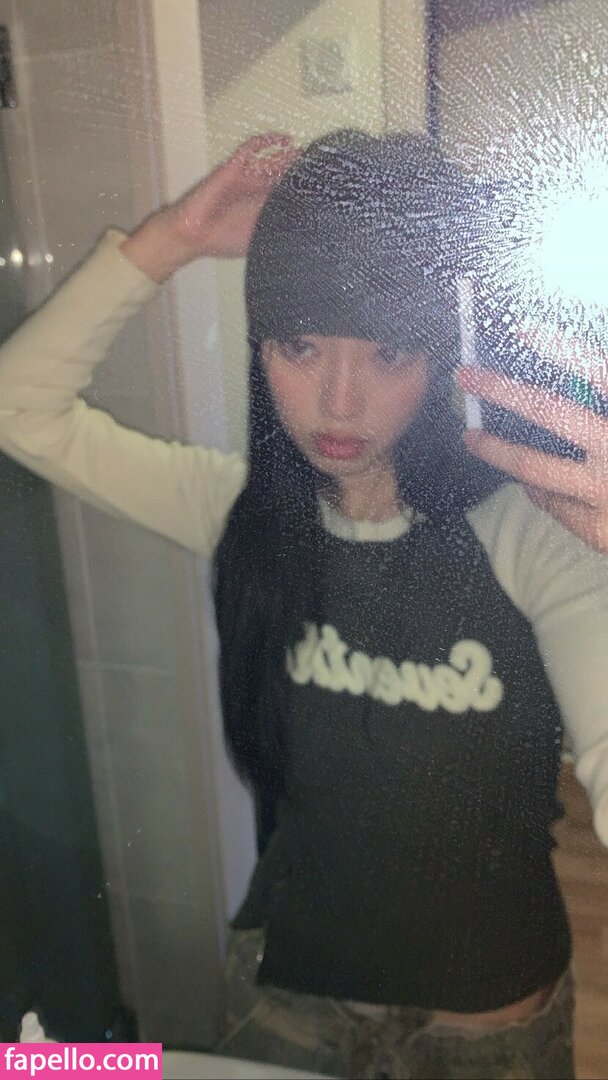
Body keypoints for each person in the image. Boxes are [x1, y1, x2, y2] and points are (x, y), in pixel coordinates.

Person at [0, 129, 606, 1080]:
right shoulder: (242, 515)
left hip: (483, 1029)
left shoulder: (531, 536)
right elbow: (20, 408)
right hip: (289, 999)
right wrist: (173, 239)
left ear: (444, 356)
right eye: (299, 344)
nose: (338, 401)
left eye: (389, 352)